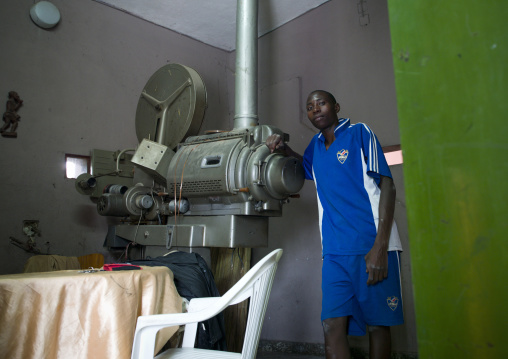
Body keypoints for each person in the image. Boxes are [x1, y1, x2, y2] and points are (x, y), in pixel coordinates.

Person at [266, 90, 403, 359]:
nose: (315, 109)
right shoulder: (315, 147)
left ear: (336, 106)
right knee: (331, 324)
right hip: (334, 253)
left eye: (321, 103)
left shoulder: (359, 133)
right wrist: (282, 149)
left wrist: (380, 247)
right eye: (309, 106)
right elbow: (305, 167)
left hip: (372, 245)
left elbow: (388, 184)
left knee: (378, 326)